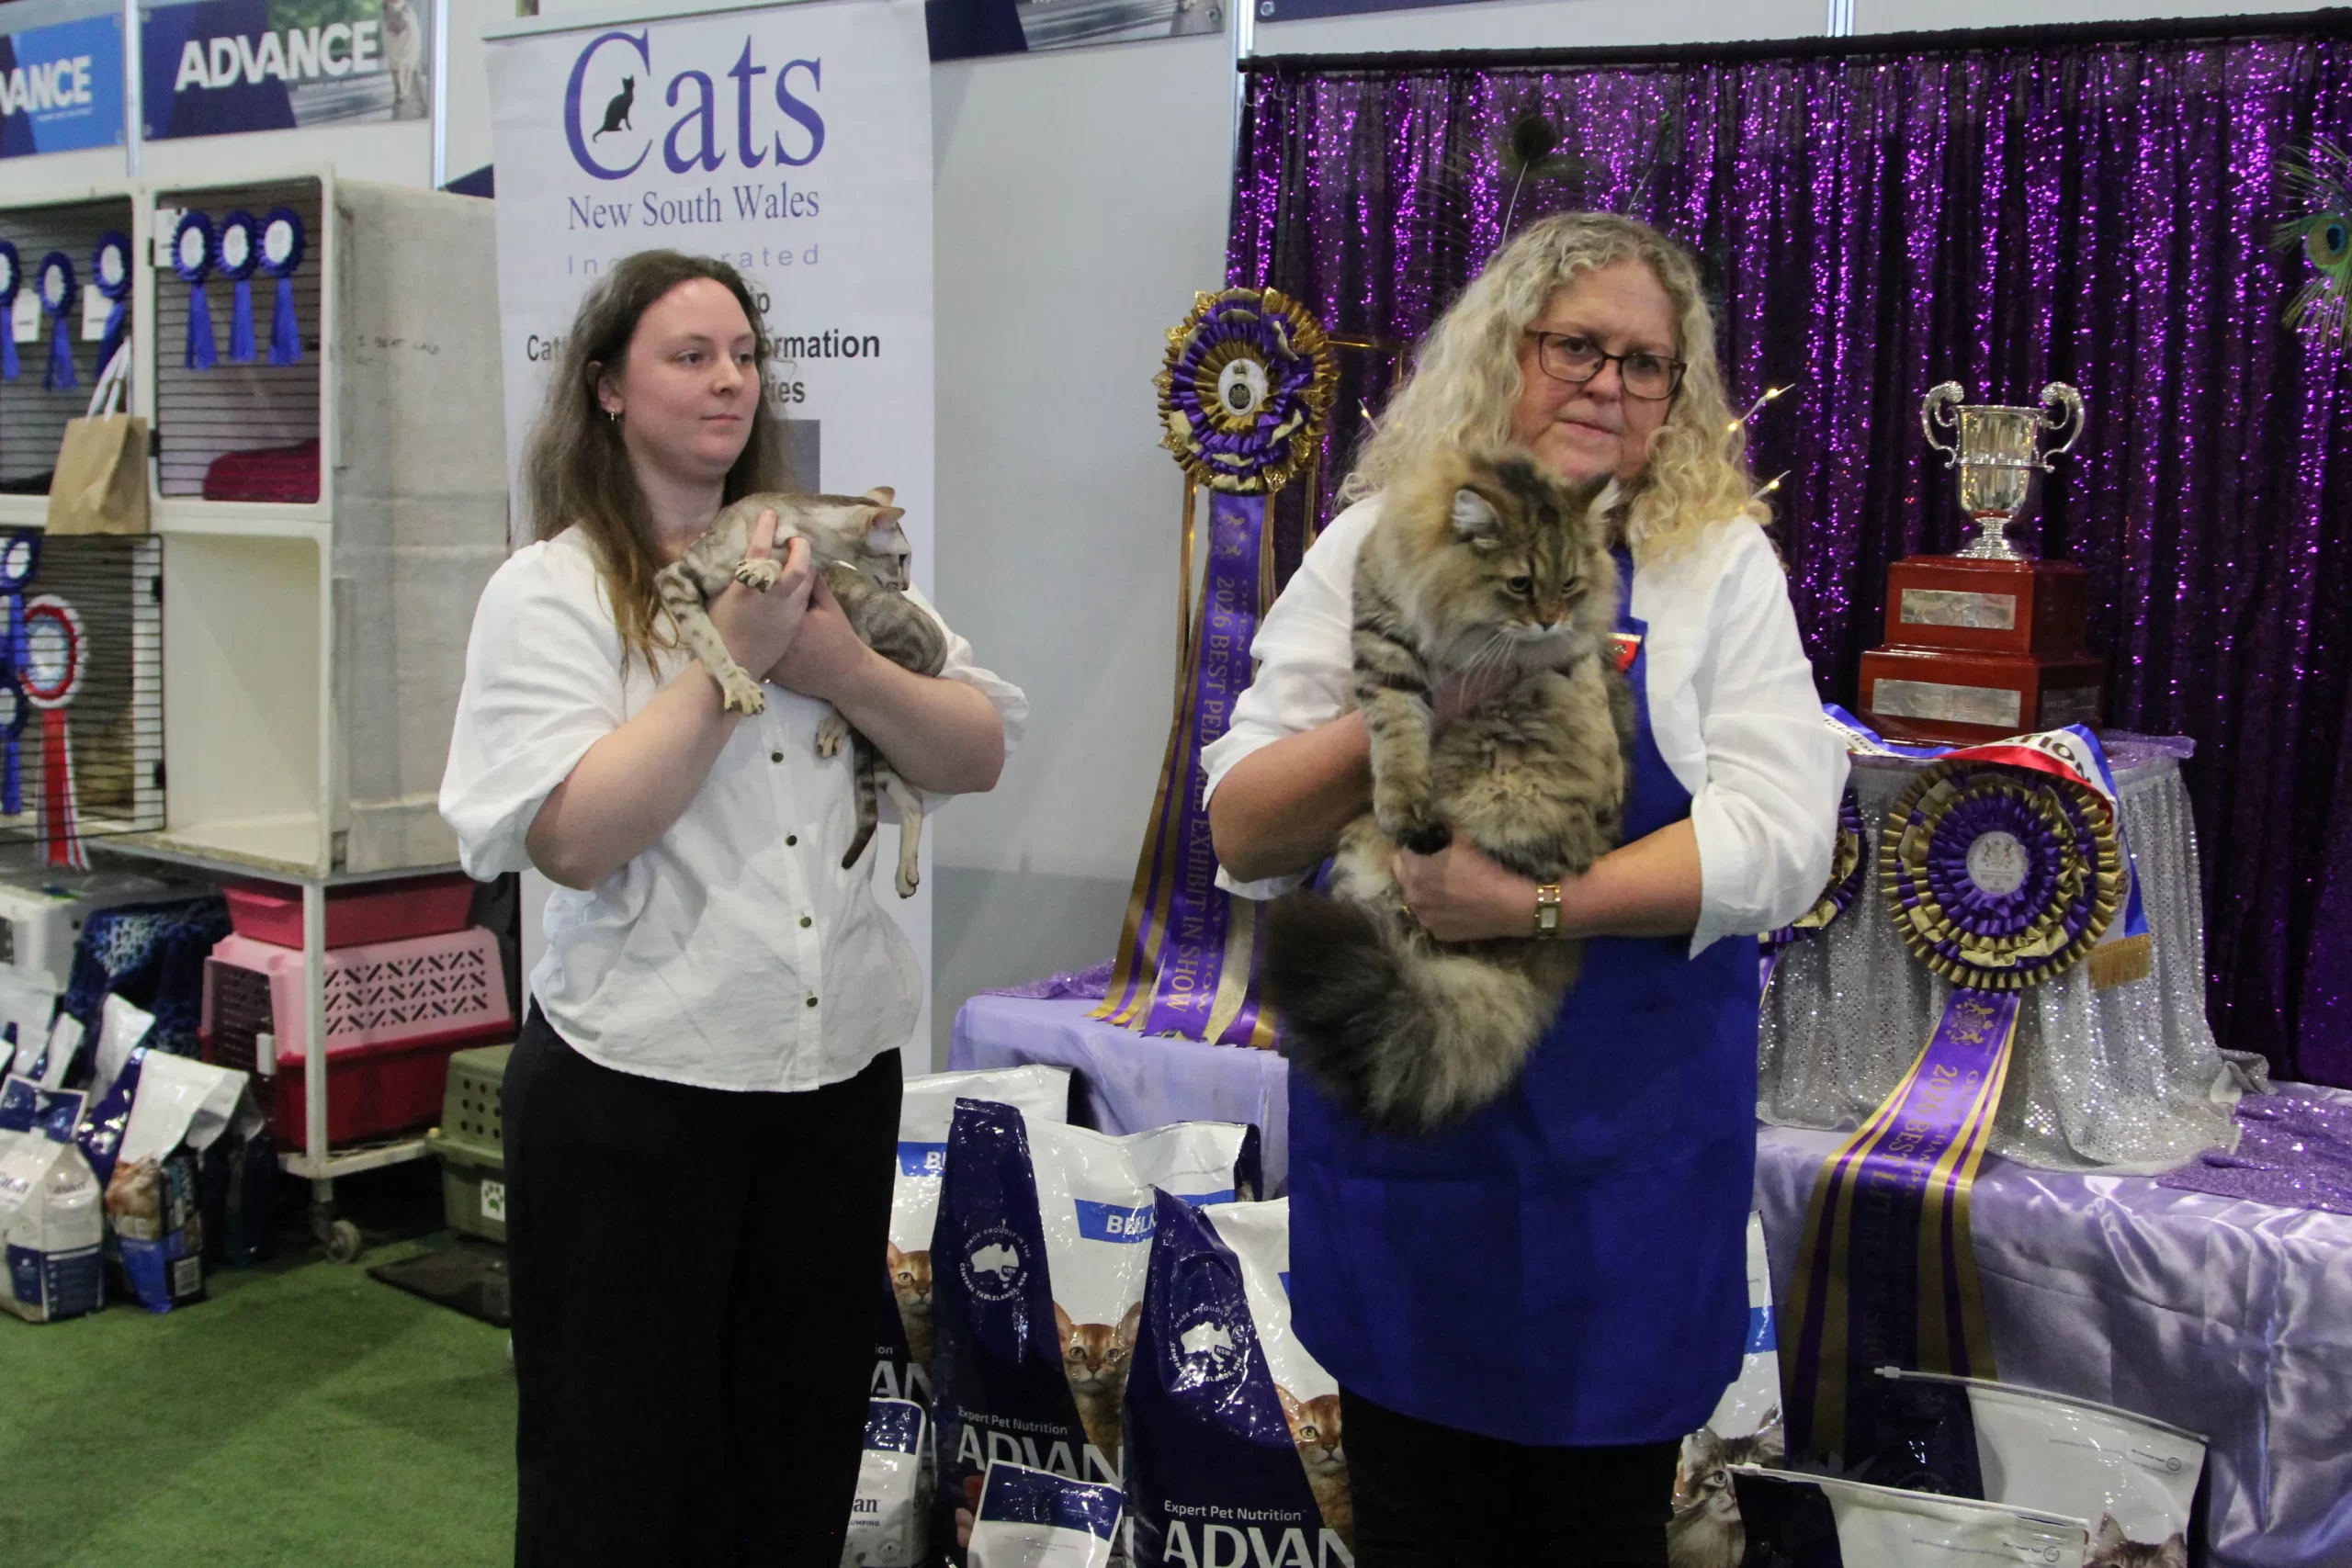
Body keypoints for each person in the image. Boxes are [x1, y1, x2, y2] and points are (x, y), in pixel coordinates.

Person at [1202, 212, 1845, 1564]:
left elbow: (1785, 838)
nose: (1610, 385)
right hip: (1415, 1162)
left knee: (1594, 1531)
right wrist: (1426, 690)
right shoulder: (1374, 541)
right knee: (1416, 1522)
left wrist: (1539, 907)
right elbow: (1247, 825)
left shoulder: (1716, 564)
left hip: (1623, 1170)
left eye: (1647, 363)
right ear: (1506, 351)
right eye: (1576, 348)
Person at [439, 250, 1024, 1568]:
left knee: (794, 1474)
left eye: (744, 356)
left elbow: (976, 746)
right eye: (689, 355)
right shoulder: (552, 591)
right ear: (606, 387)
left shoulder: (819, 564)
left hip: (829, 1087)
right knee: (615, 1489)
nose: (728, 380)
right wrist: (734, 663)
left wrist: (836, 661)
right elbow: (574, 838)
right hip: (634, 1094)